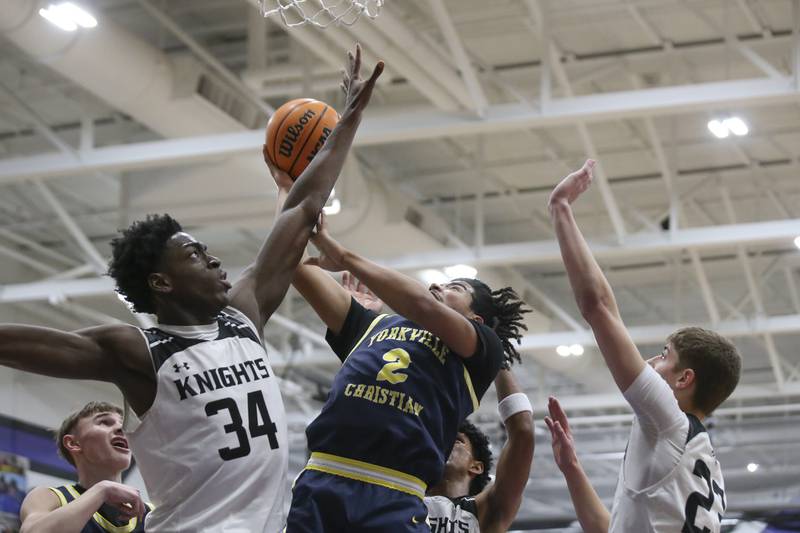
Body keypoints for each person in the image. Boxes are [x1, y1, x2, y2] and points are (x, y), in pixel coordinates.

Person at [0, 43, 383, 532]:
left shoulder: (243, 314)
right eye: (196, 256)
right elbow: (22, 344)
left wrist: (350, 118)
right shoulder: (139, 352)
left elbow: (302, 210)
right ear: (162, 282)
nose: (215, 259)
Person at [281, 205, 530, 532]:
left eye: (455, 288)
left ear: (476, 320)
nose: (437, 286)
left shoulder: (481, 351)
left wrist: (342, 255)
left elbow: (421, 305)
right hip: (324, 476)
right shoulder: (373, 325)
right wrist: (288, 192)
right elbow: (293, 264)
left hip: (394, 491)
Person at [547, 159, 742, 532]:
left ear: (684, 379)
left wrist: (560, 208)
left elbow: (598, 307)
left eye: (665, 355)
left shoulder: (668, 424)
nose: (652, 361)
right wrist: (572, 469)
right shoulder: (704, 463)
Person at [425, 368, 534, 533]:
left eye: (456, 441)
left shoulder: (486, 510)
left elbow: (523, 431)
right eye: (437, 441)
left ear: (475, 466)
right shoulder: (402, 498)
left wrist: (500, 362)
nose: (442, 445)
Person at [19, 402, 152, 533]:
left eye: (123, 424)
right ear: (73, 443)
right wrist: (103, 490)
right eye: (104, 422)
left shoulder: (152, 513)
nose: (121, 429)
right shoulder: (48, 497)